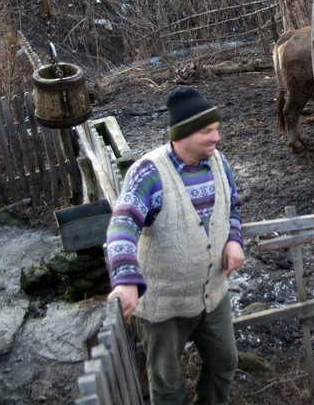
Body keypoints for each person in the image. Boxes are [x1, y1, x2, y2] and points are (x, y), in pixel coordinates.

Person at [105, 86, 245, 405]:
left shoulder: (219, 163)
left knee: (225, 363)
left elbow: (233, 206)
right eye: (207, 131)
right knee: (167, 384)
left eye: (216, 129)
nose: (217, 137)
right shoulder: (149, 173)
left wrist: (234, 240)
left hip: (213, 293)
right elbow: (122, 224)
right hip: (163, 303)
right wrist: (125, 279)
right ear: (183, 135)